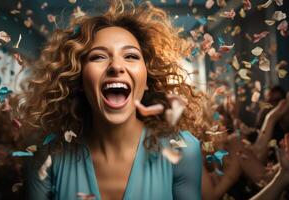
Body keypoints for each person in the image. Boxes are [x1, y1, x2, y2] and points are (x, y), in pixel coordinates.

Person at [21, 1, 204, 199]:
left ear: (147, 80)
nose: (116, 66)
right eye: (98, 57)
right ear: (79, 79)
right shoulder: (47, 154)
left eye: (131, 56)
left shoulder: (184, 150)